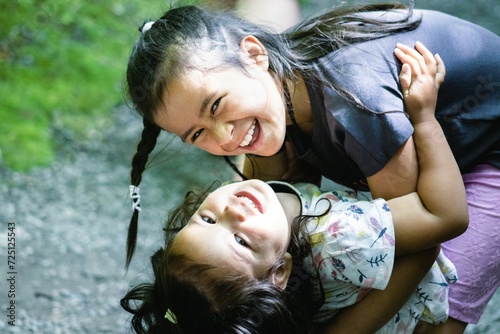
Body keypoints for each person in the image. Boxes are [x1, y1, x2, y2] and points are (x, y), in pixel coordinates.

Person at [124, 2, 500, 332]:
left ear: (255, 56)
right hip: (439, 158)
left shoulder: (354, 99)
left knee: (440, 315)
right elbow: (282, 206)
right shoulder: (268, 102)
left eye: (217, 105)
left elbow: (422, 243)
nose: (224, 138)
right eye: (197, 134)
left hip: (488, 150)